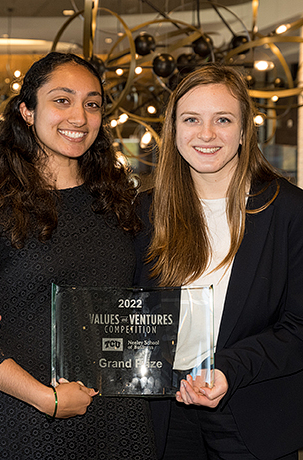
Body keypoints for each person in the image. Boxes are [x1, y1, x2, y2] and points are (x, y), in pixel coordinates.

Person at [0, 52, 152, 459]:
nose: (79, 116)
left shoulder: (120, 201)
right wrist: (46, 399)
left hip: (119, 419)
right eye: (62, 100)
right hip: (27, 417)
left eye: (92, 104)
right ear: (26, 111)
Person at [135, 65, 303, 460]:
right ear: (174, 130)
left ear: (244, 132)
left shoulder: (289, 211)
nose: (206, 134)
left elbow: (299, 328)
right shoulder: (144, 212)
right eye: (191, 119)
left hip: (254, 416)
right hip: (160, 417)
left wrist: (227, 369)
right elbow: (104, 294)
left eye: (222, 120)